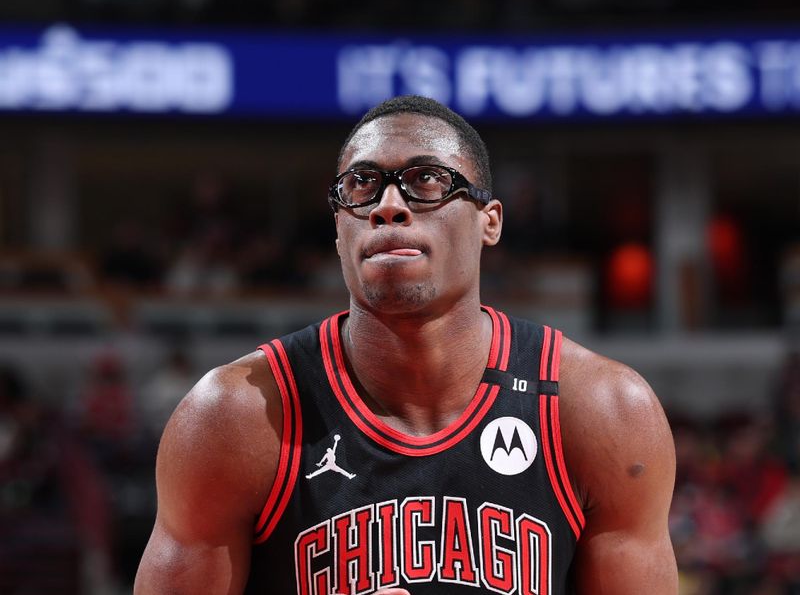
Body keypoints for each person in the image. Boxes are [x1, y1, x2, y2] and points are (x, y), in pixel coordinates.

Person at [134, 95, 678, 594]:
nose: (388, 206)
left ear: (489, 223)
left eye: (427, 181)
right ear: (339, 229)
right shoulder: (235, 416)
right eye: (360, 186)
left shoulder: (602, 411)